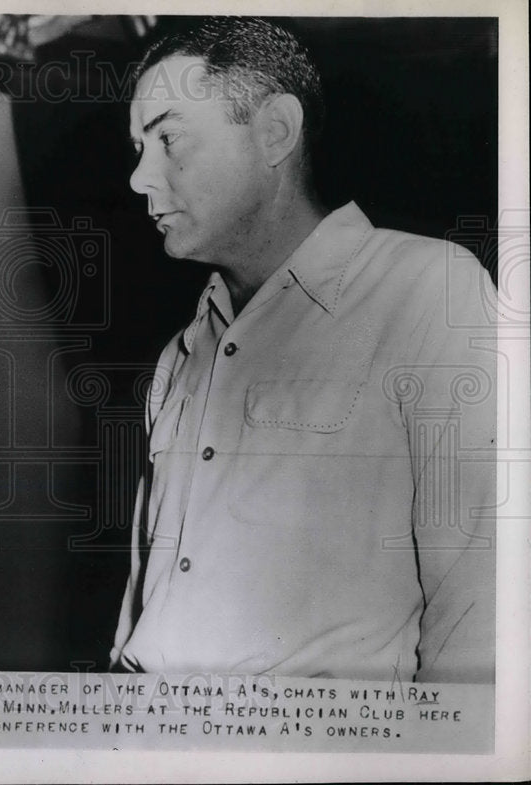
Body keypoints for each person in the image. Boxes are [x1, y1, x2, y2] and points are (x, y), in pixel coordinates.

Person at [111, 18, 496, 682]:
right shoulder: (180, 354)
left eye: (168, 138)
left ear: (275, 132)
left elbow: (481, 602)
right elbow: (141, 602)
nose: (139, 177)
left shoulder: (431, 290)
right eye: (137, 147)